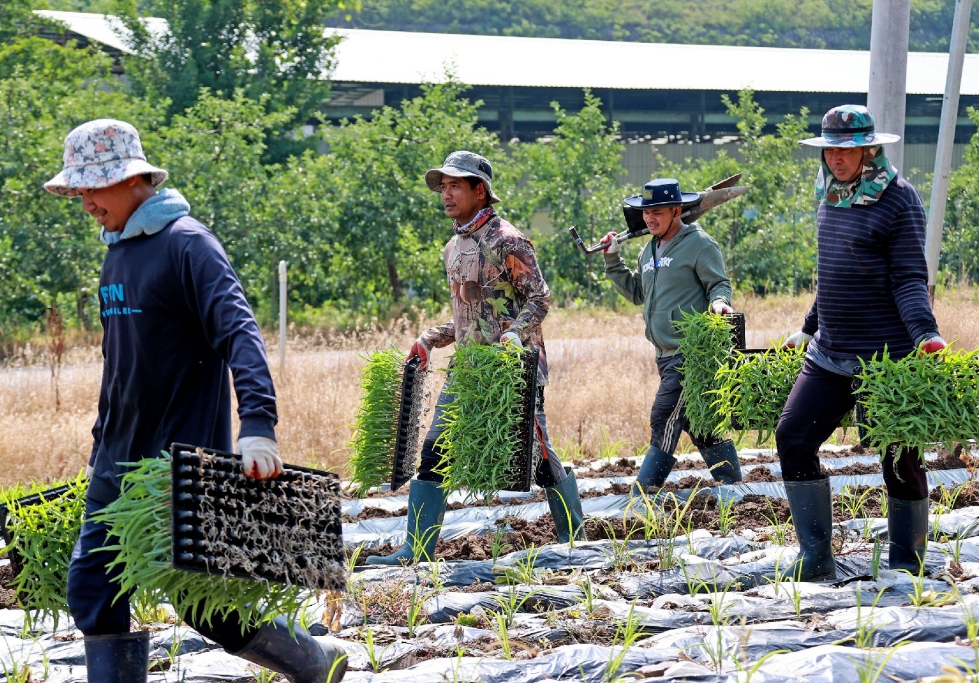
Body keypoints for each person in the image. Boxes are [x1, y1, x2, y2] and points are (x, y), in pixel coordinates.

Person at [45, 119, 346, 683]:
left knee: (209, 608)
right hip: (118, 459)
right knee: (92, 588)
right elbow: (122, 367)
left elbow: (239, 332)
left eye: (93, 187)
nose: (85, 202)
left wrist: (257, 424)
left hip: (181, 460)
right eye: (79, 190)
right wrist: (99, 445)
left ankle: (314, 660)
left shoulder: (187, 244)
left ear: (134, 180)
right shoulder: (116, 255)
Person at [367, 150, 586, 566]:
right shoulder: (453, 246)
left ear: (479, 190)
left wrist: (514, 335)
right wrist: (430, 338)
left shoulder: (508, 239)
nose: (446, 194)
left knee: (537, 459)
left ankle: (574, 538)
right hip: (468, 369)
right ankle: (416, 551)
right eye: (443, 187)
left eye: (455, 186)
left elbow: (540, 298)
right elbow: (466, 317)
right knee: (435, 450)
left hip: (512, 370)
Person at [777, 104, 946, 581]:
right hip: (829, 351)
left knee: (897, 455)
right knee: (793, 436)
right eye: (831, 150)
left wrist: (925, 335)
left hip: (886, 357)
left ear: (871, 148)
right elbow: (832, 274)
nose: (837, 158)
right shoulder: (829, 195)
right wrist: (809, 327)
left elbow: (910, 278)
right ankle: (816, 558)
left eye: (848, 150)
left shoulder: (899, 200)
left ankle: (906, 564)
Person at [600, 178, 743, 497]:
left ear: (677, 210)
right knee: (700, 425)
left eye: (657, 212)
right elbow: (637, 293)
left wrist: (719, 302)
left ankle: (643, 497)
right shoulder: (649, 248)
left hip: (689, 353)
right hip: (663, 355)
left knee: (663, 417)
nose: (649, 218)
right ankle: (734, 488)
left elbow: (718, 284)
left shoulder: (699, 243)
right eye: (645, 212)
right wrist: (612, 259)